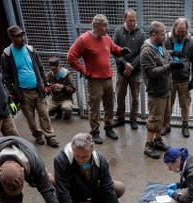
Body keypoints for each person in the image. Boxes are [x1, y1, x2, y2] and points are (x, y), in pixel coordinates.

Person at [67, 14, 131, 145]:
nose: (107, 28)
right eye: (104, 26)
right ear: (96, 26)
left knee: (109, 105)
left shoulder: (106, 38)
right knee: (94, 107)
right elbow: (71, 56)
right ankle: (95, 132)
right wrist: (83, 71)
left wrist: (122, 51)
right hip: (95, 80)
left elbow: (114, 49)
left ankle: (108, 127)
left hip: (108, 78)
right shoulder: (83, 39)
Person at [54, 132, 125, 203]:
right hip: (75, 198)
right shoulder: (61, 160)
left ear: (92, 151)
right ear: (73, 149)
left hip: (89, 190)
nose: (80, 159)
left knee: (119, 187)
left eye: (84, 157)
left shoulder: (100, 159)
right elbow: (63, 192)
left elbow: (107, 186)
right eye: (77, 155)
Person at [1, 25, 59, 147]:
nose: (22, 38)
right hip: (23, 92)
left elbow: (40, 68)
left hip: (38, 89)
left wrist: (46, 84)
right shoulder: (7, 54)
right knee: (30, 118)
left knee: (44, 114)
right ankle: (37, 135)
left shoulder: (30, 50)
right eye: (18, 36)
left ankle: (50, 136)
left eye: (22, 35)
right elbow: (6, 77)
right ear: (11, 37)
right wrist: (12, 92)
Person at [140, 21, 183, 159]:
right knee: (154, 119)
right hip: (156, 92)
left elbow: (164, 55)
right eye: (163, 34)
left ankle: (158, 141)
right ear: (153, 35)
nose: (165, 36)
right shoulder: (146, 51)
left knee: (162, 118)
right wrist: (170, 66)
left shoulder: (160, 45)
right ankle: (148, 145)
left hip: (165, 89)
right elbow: (151, 72)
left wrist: (172, 56)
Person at [161, 18, 193, 138]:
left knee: (185, 104)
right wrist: (173, 53)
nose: (181, 34)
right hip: (169, 78)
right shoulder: (167, 39)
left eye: (184, 31)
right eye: (179, 31)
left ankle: (185, 126)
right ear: (174, 28)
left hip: (184, 79)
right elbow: (161, 53)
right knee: (168, 104)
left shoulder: (191, 41)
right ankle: (166, 125)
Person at [113, 8, 145, 130]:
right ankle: (120, 118)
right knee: (120, 95)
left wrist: (131, 67)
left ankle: (133, 119)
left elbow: (142, 53)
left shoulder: (140, 33)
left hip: (135, 72)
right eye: (129, 20)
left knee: (135, 97)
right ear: (124, 19)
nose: (132, 23)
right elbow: (114, 50)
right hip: (122, 71)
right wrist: (124, 63)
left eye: (134, 20)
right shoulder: (118, 32)